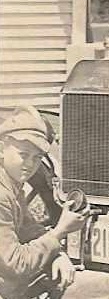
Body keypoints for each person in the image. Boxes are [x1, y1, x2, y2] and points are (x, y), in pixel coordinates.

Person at [0, 106, 89, 299]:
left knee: (56, 274)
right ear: (1, 149)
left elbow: (28, 228)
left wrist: (58, 254)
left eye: (37, 157)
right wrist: (59, 232)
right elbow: (16, 264)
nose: (30, 164)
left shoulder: (11, 183)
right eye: (23, 155)